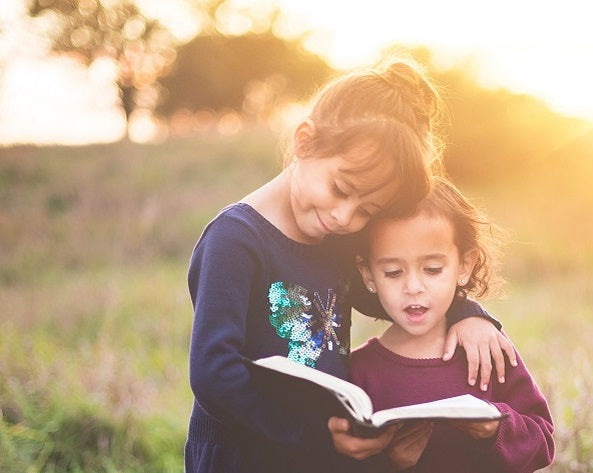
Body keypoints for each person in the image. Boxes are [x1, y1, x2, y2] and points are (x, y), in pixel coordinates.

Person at [184, 57, 517, 472]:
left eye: (367, 210)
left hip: (320, 455)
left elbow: (398, 299)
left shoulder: (334, 239)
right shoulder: (235, 241)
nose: (346, 217)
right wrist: (315, 436)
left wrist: (469, 313)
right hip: (243, 454)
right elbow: (214, 374)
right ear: (305, 141)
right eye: (341, 189)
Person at [351, 176, 555, 472]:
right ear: (368, 274)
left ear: (464, 266)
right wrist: (390, 462)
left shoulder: (485, 348)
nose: (413, 286)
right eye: (393, 272)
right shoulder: (360, 371)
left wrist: (494, 427)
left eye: (432, 269)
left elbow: (542, 442)